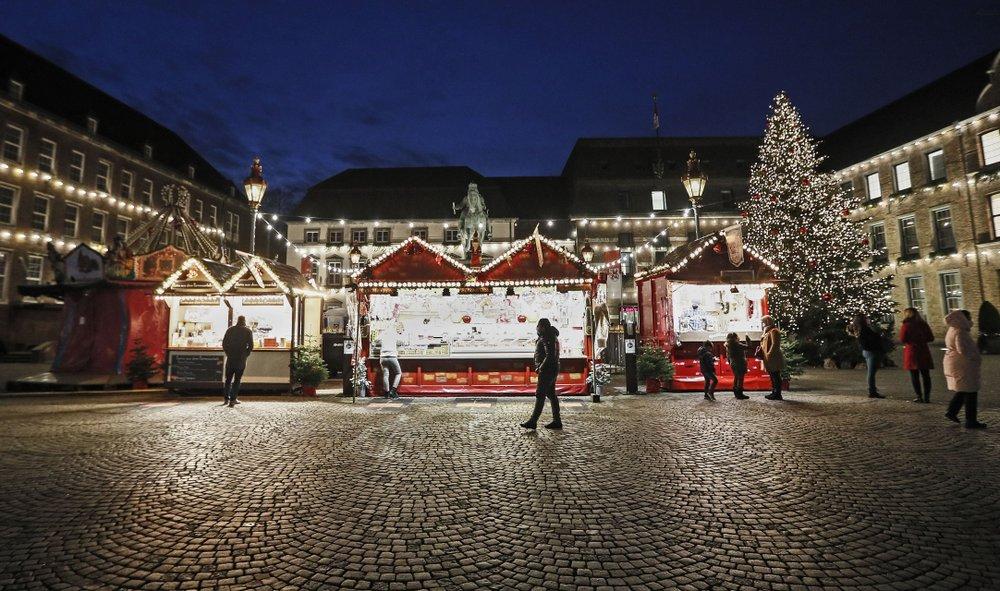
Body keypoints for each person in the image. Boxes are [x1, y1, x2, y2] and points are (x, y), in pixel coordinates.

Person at [943, 310, 986, 429]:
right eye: (969, 317)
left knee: (964, 389)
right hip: (963, 364)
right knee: (971, 391)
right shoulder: (960, 332)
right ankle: (971, 420)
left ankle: (952, 411)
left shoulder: (953, 329)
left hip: (957, 362)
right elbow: (963, 349)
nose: (970, 319)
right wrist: (975, 357)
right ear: (963, 318)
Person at [521, 318, 562, 430]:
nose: (537, 328)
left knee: (540, 394)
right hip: (552, 368)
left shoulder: (547, 336)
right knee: (551, 395)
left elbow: (550, 355)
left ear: (542, 326)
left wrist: (540, 367)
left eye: (538, 326)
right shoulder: (551, 335)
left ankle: (533, 421)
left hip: (547, 370)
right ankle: (557, 421)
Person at [900, 307, 934, 403]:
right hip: (923, 350)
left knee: (914, 375)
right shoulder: (923, 324)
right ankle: (927, 396)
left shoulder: (906, 325)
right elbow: (931, 337)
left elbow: (902, 339)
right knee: (926, 375)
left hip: (912, 351)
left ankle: (919, 396)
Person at [849, 313, 886, 399]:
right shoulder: (864, 329)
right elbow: (870, 340)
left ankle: (872, 390)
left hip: (867, 351)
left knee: (871, 372)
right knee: (871, 373)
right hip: (872, 351)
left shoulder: (858, 329)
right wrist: (878, 336)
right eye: (866, 318)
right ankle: (872, 391)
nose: (868, 319)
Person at [222, 316, 254, 407]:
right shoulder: (248, 331)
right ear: (244, 321)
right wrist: (245, 355)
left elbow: (224, 344)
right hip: (241, 359)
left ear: (237, 321)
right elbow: (251, 346)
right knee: (237, 379)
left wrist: (228, 353)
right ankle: (233, 399)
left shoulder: (230, 330)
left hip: (230, 359)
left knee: (228, 379)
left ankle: (226, 399)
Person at [760, 316, 784, 400]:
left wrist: (769, 354)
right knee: (772, 375)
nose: (763, 324)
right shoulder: (767, 331)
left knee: (775, 375)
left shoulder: (774, 331)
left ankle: (777, 393)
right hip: (768, 356)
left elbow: (775, 344)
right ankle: (774, 391)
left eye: (764, 322)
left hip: (773, 356)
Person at [379, 323, 402, 399]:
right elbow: (401, 342)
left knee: (385, 375)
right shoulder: (395, 334)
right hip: (392, 356)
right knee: (398, 373)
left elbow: (376, 341)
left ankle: (387, 393)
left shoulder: (382, 334)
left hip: (383, 357)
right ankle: (393, 391)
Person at [725, 333, 751, 400]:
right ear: (736, 337)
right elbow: (748, 347)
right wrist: (748, 339)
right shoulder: (737, 344)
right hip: (740, 363)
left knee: (736, 377)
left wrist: (730, 363)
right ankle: (740, 394)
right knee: (740, 378)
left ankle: (736, 393)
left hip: (733, 363)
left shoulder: (728, 345)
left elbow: (727, 356)